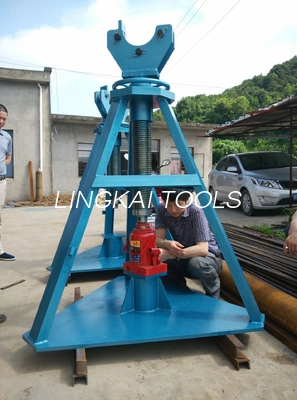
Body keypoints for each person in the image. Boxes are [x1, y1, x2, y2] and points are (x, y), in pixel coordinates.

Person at [155, 189, 222, 298]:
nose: (173, 209)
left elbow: (203, 249)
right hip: (184, 257)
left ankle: (214, 297)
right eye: (169, 205)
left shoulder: (196, 212)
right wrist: (167, 244)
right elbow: (157, 239)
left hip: (207, 258)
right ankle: (180, 294)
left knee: (196, 263)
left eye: (178, 204)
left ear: (187, 200)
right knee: (159, 261)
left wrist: (172, 254)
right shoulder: (162, 209)